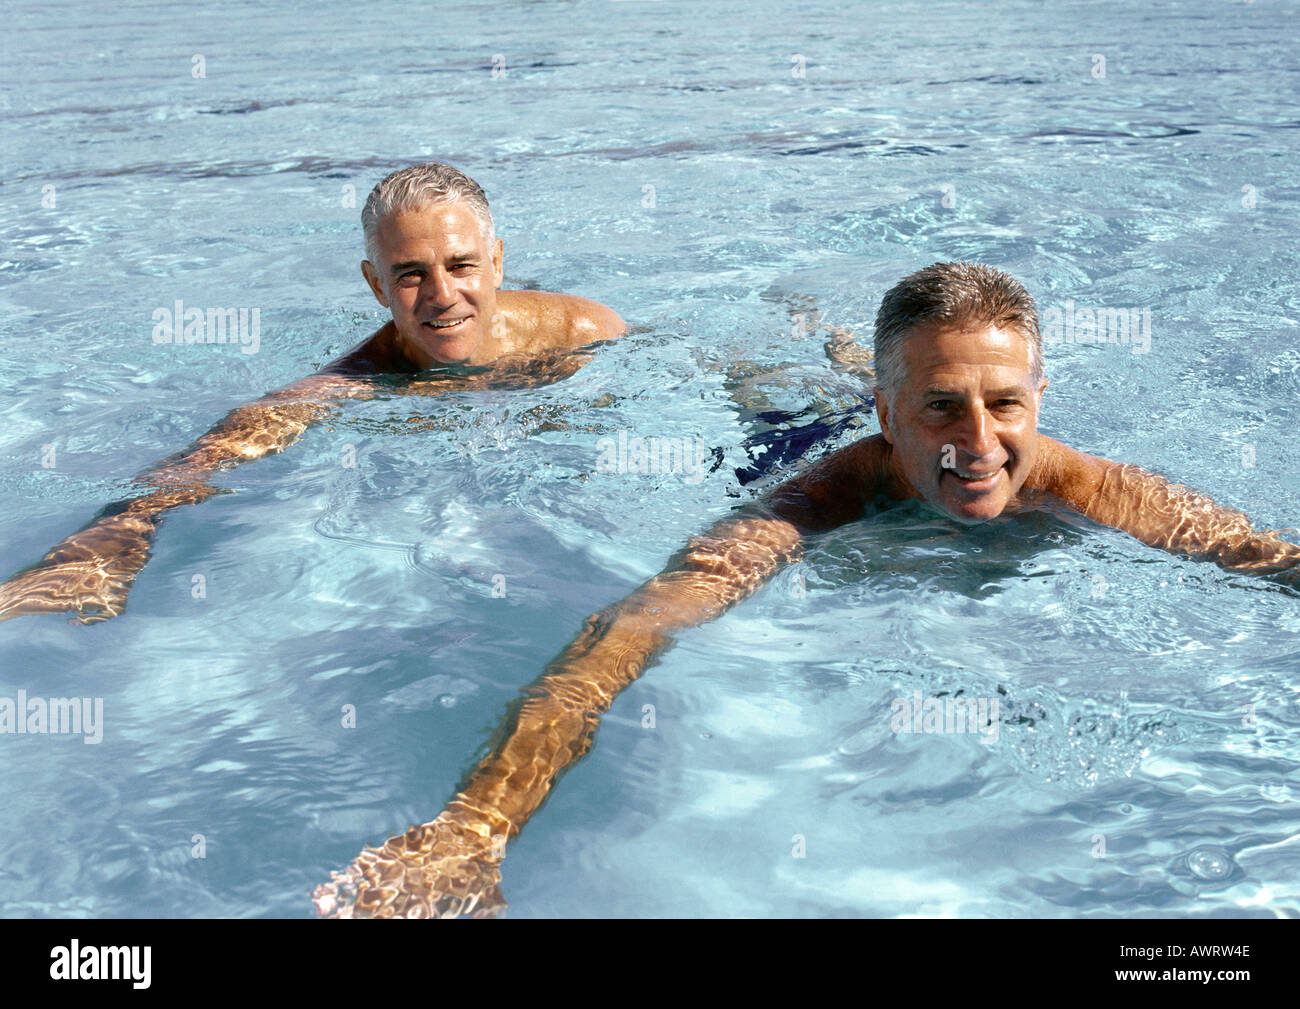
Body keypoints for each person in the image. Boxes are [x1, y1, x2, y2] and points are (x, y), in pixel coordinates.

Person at [312, 260, 1300, 919]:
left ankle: (826, 336)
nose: (978, 446)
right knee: (778, 398)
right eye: (940, 408)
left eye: (1004, 404)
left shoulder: (1085, 485)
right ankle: (798, 345)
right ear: (890, 412)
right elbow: (626, 629)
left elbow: (1264, 555)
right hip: (802, 438)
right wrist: (472, 828)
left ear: (1040, 395)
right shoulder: (823, 496)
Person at [0, 162, 625, 623]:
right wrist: (117, 531)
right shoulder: (359, 379)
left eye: (461, 265)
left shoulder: (581, 331)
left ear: (496, 262)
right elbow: (220, 449)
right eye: (410, 275)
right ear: (376, 286)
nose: (440, 295)